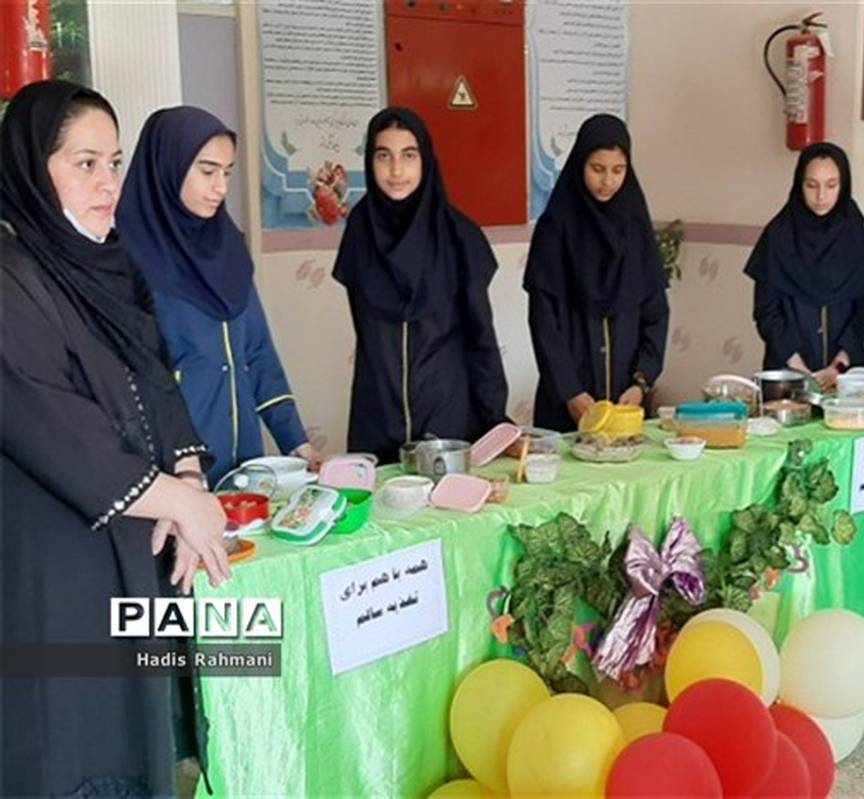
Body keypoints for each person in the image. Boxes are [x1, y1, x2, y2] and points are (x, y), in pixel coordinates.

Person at [1, 80, 231, 795]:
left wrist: (188, 477)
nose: (108, 184)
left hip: (136, 551)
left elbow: (157, 380)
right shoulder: (9, 276)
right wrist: (181, 504)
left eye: (115, 163)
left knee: (143, 743)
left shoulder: (110, 264)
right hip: (58, 569)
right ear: (31, 168)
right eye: (85, 164)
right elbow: (50, 418)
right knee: (74, 747)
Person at [117, 106, 320, 484]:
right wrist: (182, 474)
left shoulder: (228, 249)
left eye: (227, 172)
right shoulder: (126, 263)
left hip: (245, 468)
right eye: (208, 171)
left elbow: (257, 354)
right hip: (176, 475)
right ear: (168, 166)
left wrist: (297, 444)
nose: (221, 188)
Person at [334, 107, 508, 461]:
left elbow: (481, 338)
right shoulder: (361, 231)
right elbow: (367, 333)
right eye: (384, 156)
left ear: (426, 160)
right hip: (377, 419)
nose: (396, 171)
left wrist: (494, 419)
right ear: (369, 162)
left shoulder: (459, 236)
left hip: (449, 424)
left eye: (409, 156)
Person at [523, 113, 669, 432]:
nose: (608, 181)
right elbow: (543, 322)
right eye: (597, 169)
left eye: (618, 170)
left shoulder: (636, 231)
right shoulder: (555, 230)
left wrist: (642, 381)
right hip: (567, 404)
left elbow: (656, 313)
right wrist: (571, 392)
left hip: (626, 402)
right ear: (580, 165)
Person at [745, 142, 864, 390]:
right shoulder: (778, 236)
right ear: (799, 184)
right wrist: (800, 369)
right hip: (787, 372)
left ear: (844, 185)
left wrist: (838, 366)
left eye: (831, 185)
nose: (821, 196)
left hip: (846, 372)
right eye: (811, 185)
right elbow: (767, 312)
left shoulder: (855, 236)